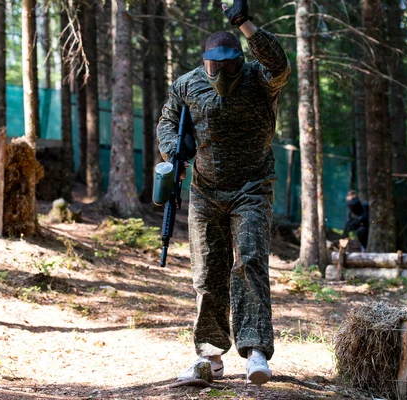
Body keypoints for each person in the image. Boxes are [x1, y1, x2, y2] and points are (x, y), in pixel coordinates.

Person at [156, 0, 290, 386]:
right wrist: (174, 150)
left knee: (248, 261)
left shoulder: (259, 78)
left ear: (238, 60)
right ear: (206, 61)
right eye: (216, 65)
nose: (222, 71)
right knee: (207, 270)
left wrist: (244, 23)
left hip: (253, 187)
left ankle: (256, 351)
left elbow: (279, 63)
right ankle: (209, 354)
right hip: (205, 190)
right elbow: (168, 121)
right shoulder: (188, 83)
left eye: (230, 64)